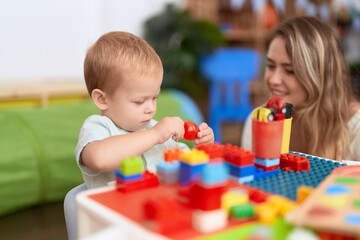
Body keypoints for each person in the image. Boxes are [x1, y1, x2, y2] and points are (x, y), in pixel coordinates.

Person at [76, 31, 214, 189]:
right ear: (102, 99)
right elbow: (99, 159)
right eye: (139, 101)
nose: (151, 108)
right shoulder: (99, 128)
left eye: (155, 98)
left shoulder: (157, 131)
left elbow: (188, 171)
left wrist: (203, 148)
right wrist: (154, 135)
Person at [241, 16, 360, 161]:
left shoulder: (356, 128)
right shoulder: (258, 121)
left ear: (321, 76)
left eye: (290, 70)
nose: (273, 79)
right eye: (271, 66)